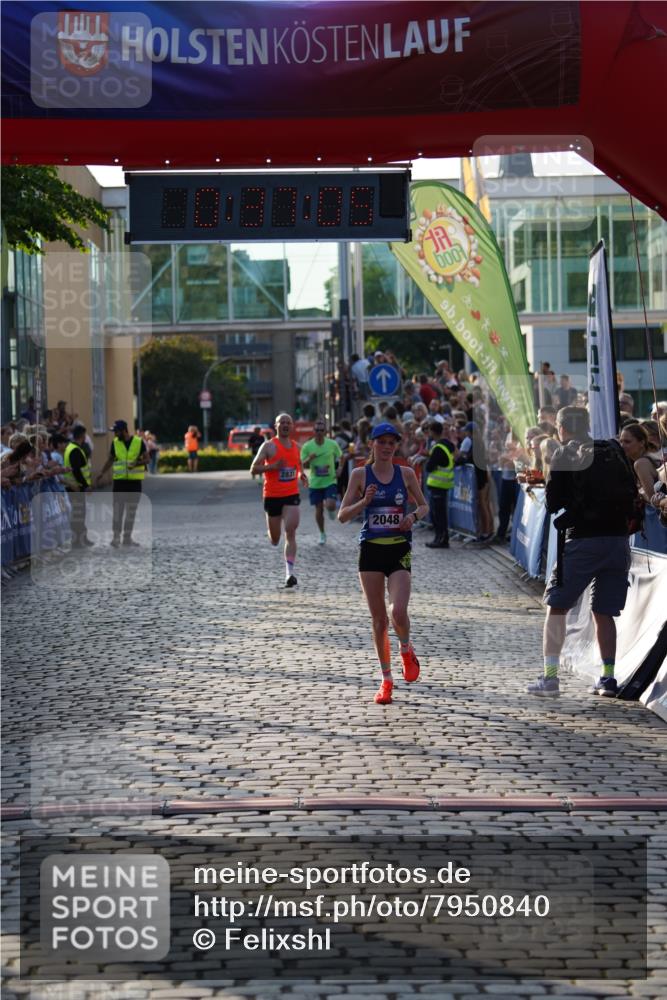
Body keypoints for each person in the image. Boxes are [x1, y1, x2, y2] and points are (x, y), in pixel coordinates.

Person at [527, 406, 636, 699]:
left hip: (583, 541)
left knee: (557, 607)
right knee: (604, 612)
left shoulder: (564, 454)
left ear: (561, 428)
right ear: (587, 425)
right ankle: (608, 678)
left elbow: (553, 503)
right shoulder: (612, 449)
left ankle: (550, 678)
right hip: (618, 541)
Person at [338, 422, 429, 705]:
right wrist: (363, 503)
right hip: (370, 551)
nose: (387, 447)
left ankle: (406, 649)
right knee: (379, 621)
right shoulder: (360, 474)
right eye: (382, 442)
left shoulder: (405, 473)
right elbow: (342, 515)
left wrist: (412, 517)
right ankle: (386, 680)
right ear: (372, 445)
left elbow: (423, 505)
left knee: (398, 611)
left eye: (392, 443)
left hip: (399, 549)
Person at [250, 412, 308, 588]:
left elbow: (299, 466)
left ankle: (289, 573)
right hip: (272, 496)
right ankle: (272, 531)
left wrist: (302, 475)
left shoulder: (297, 447)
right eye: (281, 422)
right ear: (276, 426)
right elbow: (253, 469)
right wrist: (273, 467)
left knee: (291, 530)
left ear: (292, 426)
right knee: (275, 539)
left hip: (291, 494)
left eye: (288, 422)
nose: (285, 425)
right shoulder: (268, 446)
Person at [95, 419, 149, 547]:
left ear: (124, 430)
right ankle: (116, 538)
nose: (115, 434)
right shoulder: (115, 443)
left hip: (134, 483)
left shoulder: (138, 442)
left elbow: (147, 459)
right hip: (119, 483)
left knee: (131, 512)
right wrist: (102, 473)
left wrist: (137, 463)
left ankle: (127, 538)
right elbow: (110, 460)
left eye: (117, 431)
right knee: (118, 511)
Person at [300, 418, 344, 545]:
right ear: (313, 431)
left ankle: (331, 509)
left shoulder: (332, 444)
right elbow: (301, 464)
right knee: (318, 510)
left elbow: (341, 457)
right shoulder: (307, 446)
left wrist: (340, 468)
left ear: (325, 431)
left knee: (330, 505)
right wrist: (309, 458)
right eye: (317, 430)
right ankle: (322, 533)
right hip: (315, 483)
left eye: (321, 430)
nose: (319, 432)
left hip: (330, 480)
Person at [62, 425, 93, 548]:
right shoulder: (75, 450)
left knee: (80, 514)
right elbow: (77, 471)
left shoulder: (71, 447)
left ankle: (82, 538)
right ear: (82, 435)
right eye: (85, 435)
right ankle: (77, 541)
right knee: (78, 515)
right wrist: (85, 485)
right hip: (75, 487)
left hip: (75, 486)